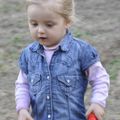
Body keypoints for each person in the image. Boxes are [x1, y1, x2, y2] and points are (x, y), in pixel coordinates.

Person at [15, 0, 110, 120]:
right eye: (34, 24)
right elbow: (23, 85)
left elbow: (100, 79)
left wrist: (97, 102)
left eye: (49, 25)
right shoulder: (28, 54)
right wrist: (22, 108)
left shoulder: (80, 51)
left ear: (67, 22)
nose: (40, 30)